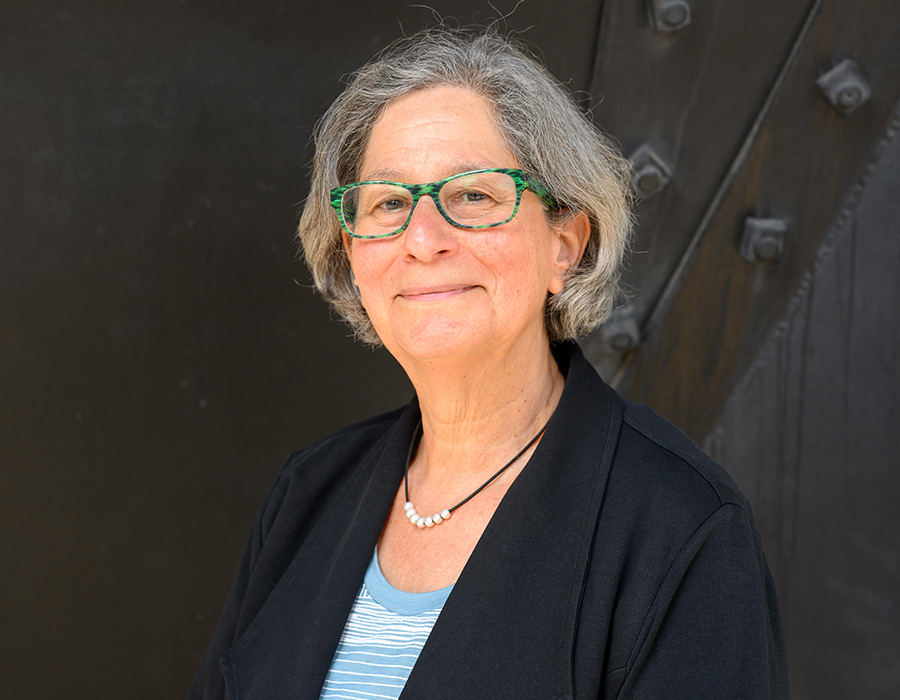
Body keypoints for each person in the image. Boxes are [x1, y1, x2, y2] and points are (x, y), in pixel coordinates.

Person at [188, 27, 789, 699]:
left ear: (565, 241)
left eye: (474, 194)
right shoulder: (308, 493)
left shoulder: (682, 528)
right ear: (352, 257)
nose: (422, 238)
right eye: (387, 202)